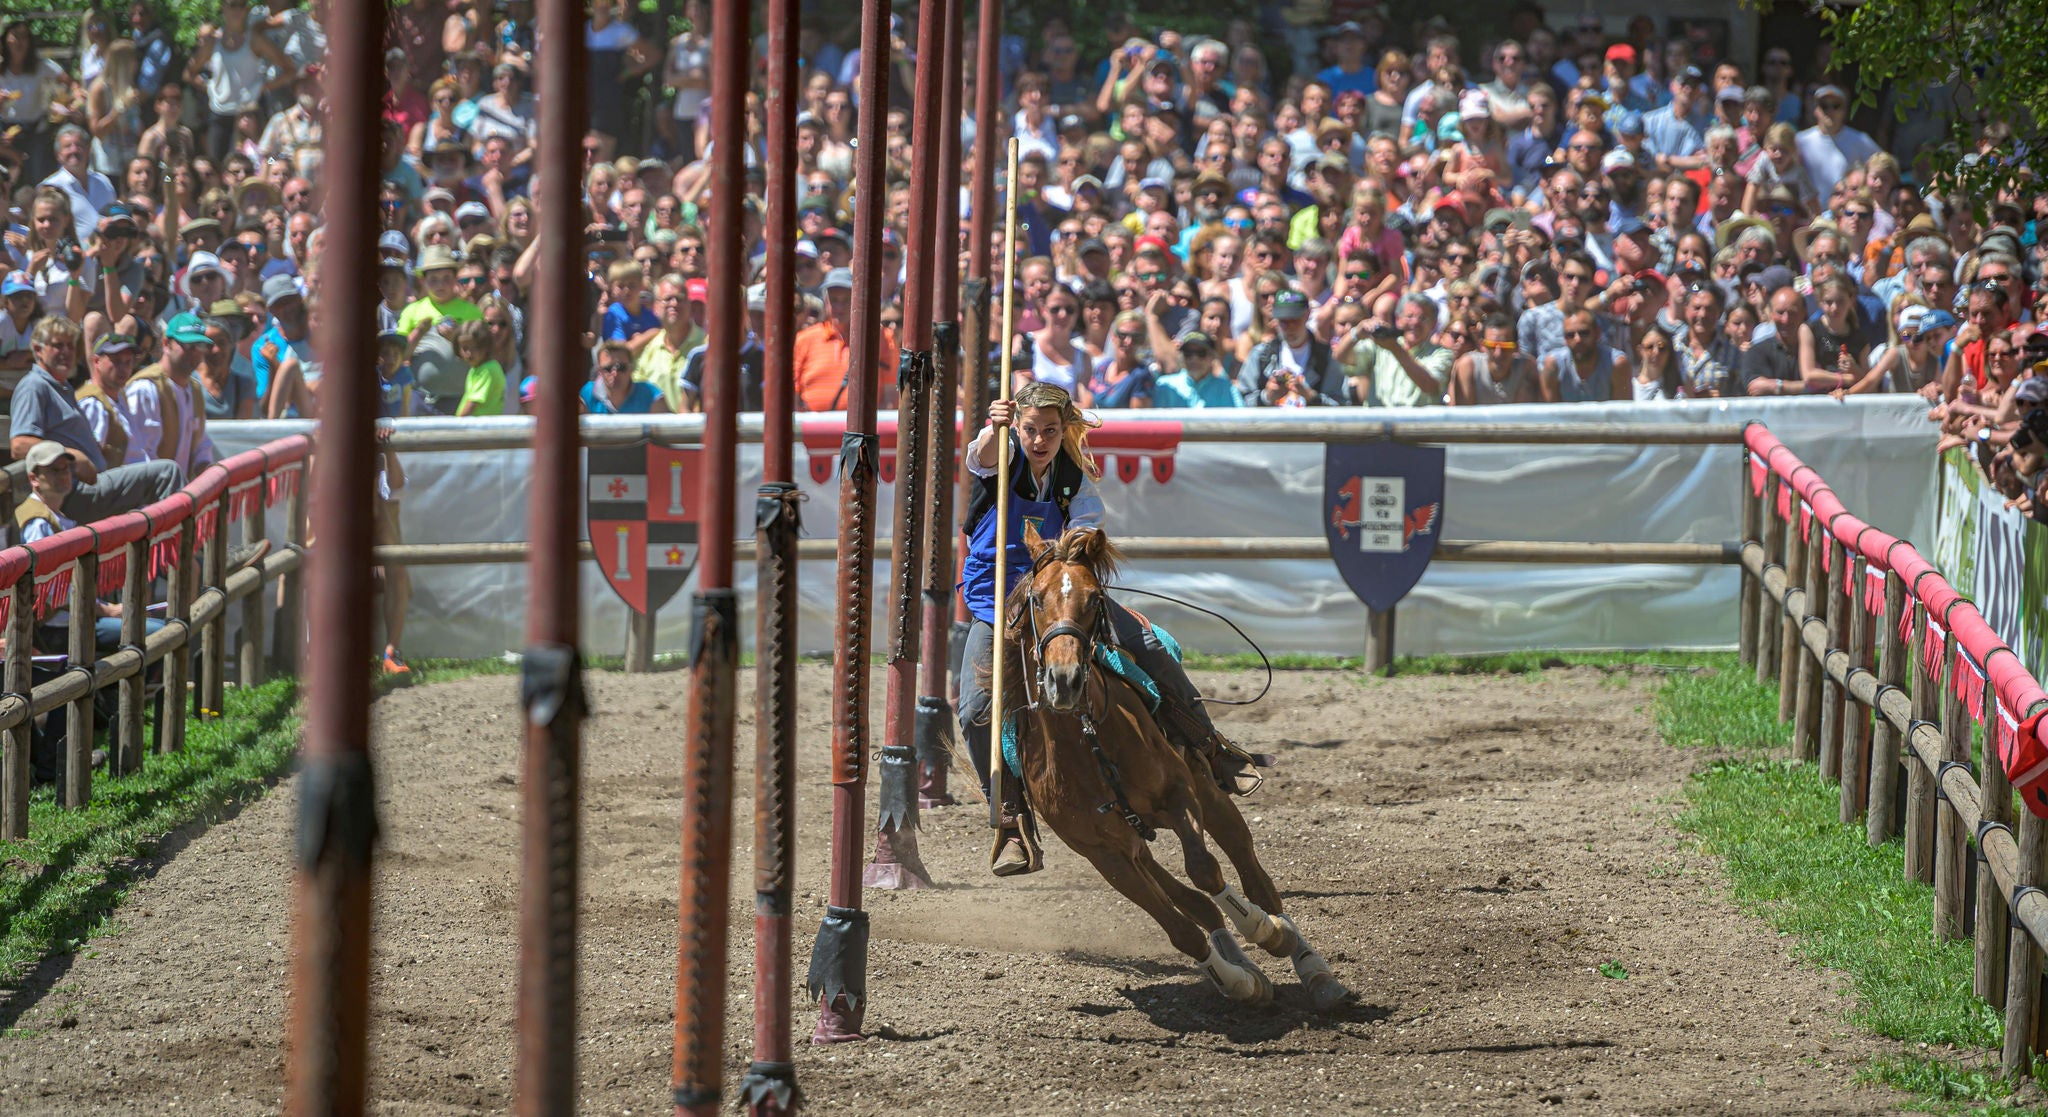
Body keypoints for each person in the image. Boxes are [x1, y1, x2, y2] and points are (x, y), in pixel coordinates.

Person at [954, 382, 1259, 877]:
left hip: (1061, 596)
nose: (1039, 440)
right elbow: (980, 457)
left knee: (1152, 648)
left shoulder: (1074, 479)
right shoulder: (1001, 453)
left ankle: (1210, 746)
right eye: (1031, 430)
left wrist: (1066, 560)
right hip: (998, 606)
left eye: (1049, 431)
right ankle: (1010, 818)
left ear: (1063, 431)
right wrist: (997, 424)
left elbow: (1089, 536)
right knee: (973, 710)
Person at [10, 317, 180, 521]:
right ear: (38, 350)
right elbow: (19, 445)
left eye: (70, 346)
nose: (66, 352)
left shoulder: (61, 387)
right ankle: (179, 551)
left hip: (88, 486)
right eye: (57, 346)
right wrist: (70, 455)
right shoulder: (34, 386)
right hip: (70, 492)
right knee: (166, 473)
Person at [792, 266, 896, 411]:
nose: (839, 307)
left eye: (846, 300)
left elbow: (890, 396)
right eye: (834, 300)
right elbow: (792, 395)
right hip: (813, 429)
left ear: (859, 301)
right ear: (825, 300)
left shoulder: (882, 338)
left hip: (863, 431)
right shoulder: (804, 339)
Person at [126, 313, 218, 475]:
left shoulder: (194, 389)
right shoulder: (145, 389)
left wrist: (204, 466)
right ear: (166, 344)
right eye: (188, 345)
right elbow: (139, 455)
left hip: (179, 492)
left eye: (200, 346)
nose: (195, 352)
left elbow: (201, 442)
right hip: (152, 494)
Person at [1237, 289, 1345, 405]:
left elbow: (1341, 404)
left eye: (1294, 319)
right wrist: (1267, 397)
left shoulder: (1326, 358)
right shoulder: (1261, 355)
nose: (1289, 327)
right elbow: (1240, 401)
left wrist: (1311, 397)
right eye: (1283, 321)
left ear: (1307, 315)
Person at [1539, 308, 1632, 402]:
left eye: (1584, 333)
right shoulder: (1554, 366)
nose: (1577, 340)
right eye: (1570, 335)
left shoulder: (1616, 364)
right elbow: (1551, 414)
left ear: (1597, 334)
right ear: (1564, 340)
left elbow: (1622, 414)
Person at [1151, 329, 1239, 408]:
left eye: (1201, 353)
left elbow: (1241, 422)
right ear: (1181, 357)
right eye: (1188, 353)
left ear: (1212, 357)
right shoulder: (1165, 386)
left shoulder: (1226, 388)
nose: (1194, 359)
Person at [582, 339, 669, 414]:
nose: (615, 373)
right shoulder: (586, 395)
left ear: (631, 369)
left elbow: (669, 431)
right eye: (608, 368)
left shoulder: (651, 396)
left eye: (621, 367)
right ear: (599, 371)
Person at [451, 319, 506, 416]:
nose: (469, 353)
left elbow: (473, 403)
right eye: (465, 348)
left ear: (486, 346)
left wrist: (457, 425)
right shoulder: (475, 369)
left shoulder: (488, 369)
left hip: (481, 428)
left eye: (475, 348)